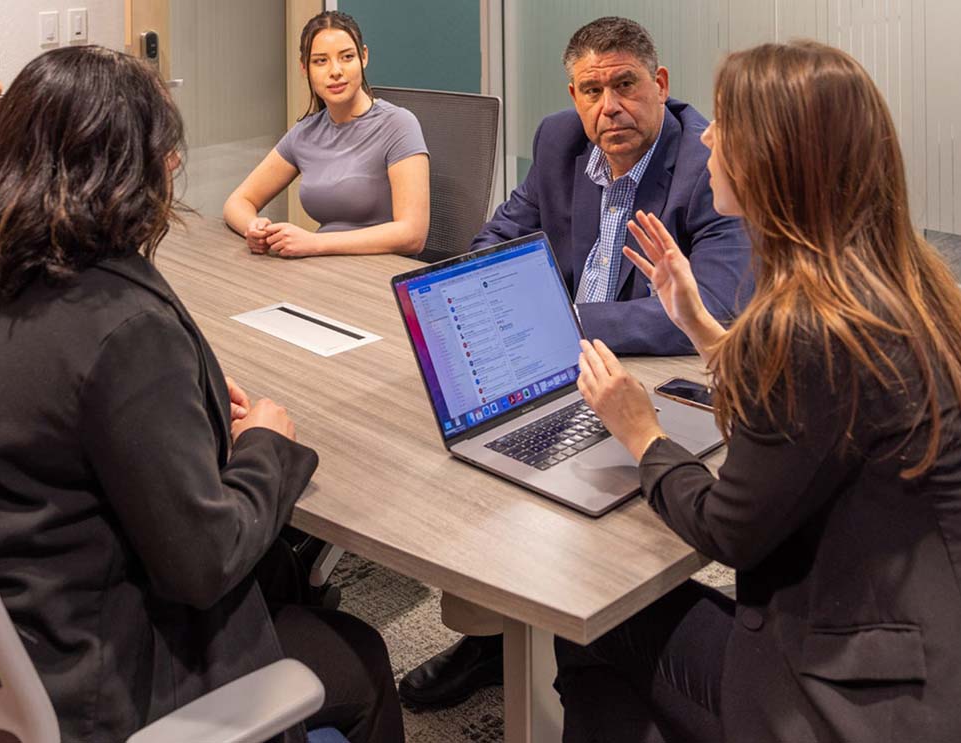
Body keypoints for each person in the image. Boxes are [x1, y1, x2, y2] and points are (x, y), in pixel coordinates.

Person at [556, 40, 961, 742]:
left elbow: (728, 528)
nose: (708, 136)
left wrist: (641, 431)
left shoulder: (811, 331)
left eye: (727, 124)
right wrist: (705, 329)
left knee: (585, 617)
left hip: (851, 698)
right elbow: (811, 418)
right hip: (922, 631)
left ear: (775, 159)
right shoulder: (903, 284)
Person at [0, 47, 404, 743]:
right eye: (161, 148)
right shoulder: (121, 331)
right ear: (119, 169)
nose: (175, 164)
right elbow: (203, 559)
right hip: (117, 679)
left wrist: (190, 404)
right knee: (361, 657)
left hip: (41, 633)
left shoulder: (24, 284)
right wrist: (267, 441)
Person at [399, 16, 752, 710]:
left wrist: (552, 323)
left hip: (653, 374)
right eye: (591, 90)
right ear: (572, 94)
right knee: (470, 452)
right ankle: (490, 637)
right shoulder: (559, 140)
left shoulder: (705, 164)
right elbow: (501, 234)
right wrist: (477, 296)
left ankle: (587, 634)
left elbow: (708, 306)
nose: (608, 106)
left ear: (659, 84)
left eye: (624, 85)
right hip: (552, 361)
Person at [223, 10, 429, 258]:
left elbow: (412, 235)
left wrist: (314, 243)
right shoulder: (305, 133)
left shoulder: (399, 125)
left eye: (347, 57)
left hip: (381, 275)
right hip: (324, 270)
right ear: (304, 68)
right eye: (320, 61)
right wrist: (253, 228)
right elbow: (238, 202)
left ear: (363, 57)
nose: (335, 71)